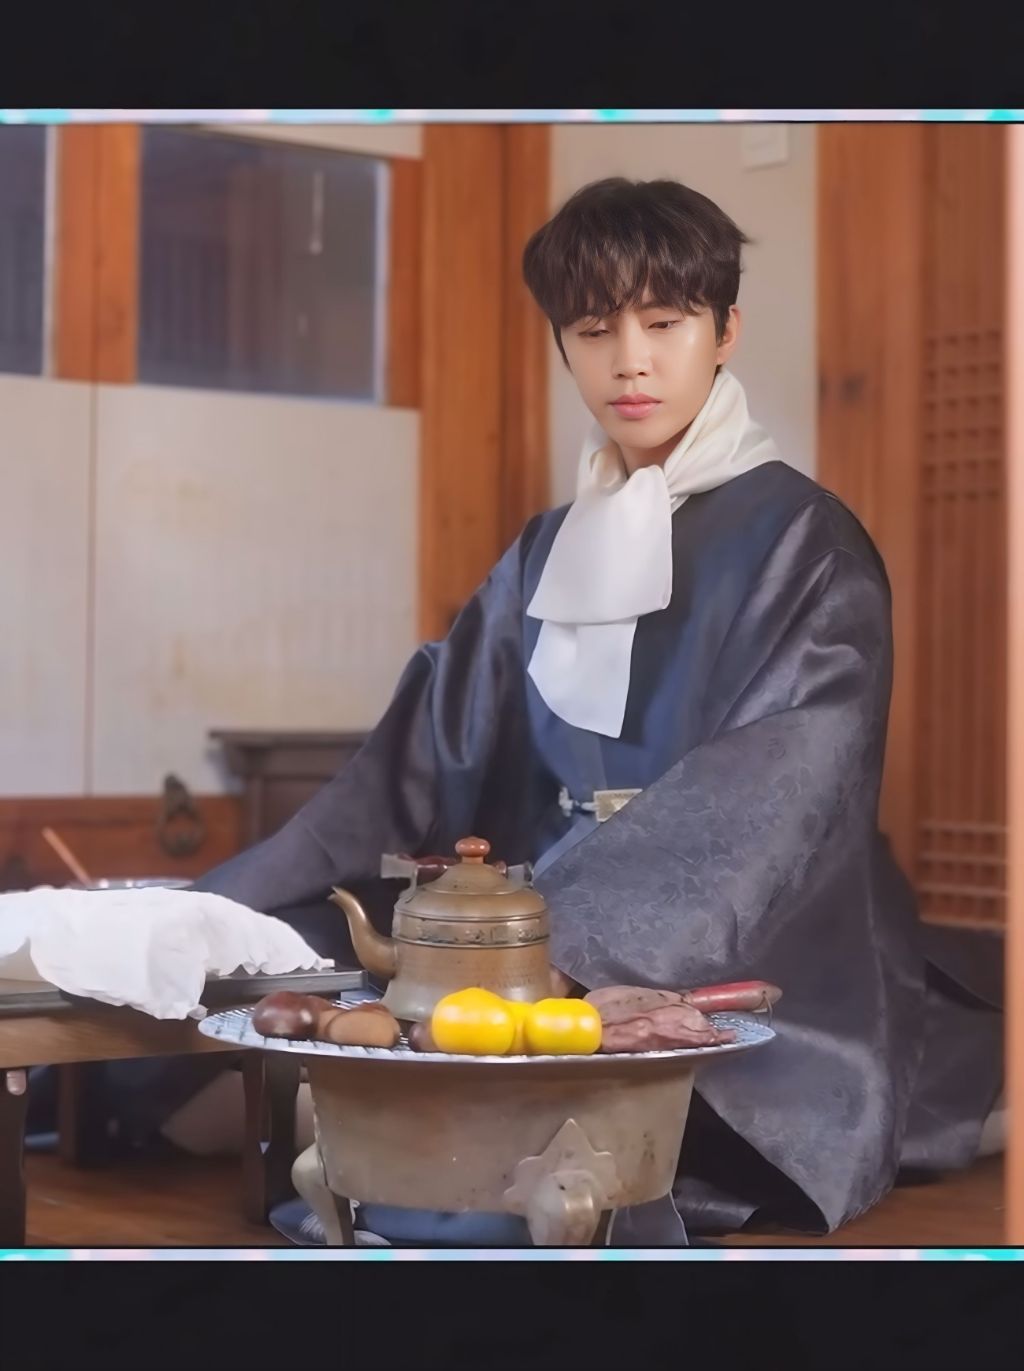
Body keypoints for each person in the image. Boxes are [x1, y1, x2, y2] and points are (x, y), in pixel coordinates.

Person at [87, 177, 1008, 1245]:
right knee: (252, 969)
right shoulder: (545, 548)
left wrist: (563, 947)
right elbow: (415, 759)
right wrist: (214, 909)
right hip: (524, 931)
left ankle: (362, 1129)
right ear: (563, 345)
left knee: (530, 1102)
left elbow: (774, 799)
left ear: (724, 332)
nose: (630, 362)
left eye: (664, 324)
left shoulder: (808, 542)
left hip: (746, 946)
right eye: (594, 330)